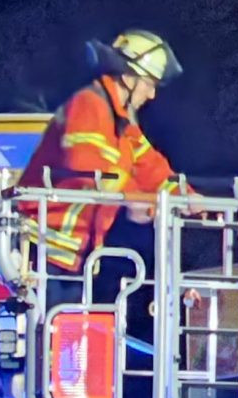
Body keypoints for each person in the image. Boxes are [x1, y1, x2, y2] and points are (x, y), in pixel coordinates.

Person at [17, 30, 183, 281]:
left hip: (71, 258)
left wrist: (187, 197)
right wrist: (134, 198)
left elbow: (151, 167)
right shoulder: (88, 105)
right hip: (41, 252)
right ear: (128, 77)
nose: (151, 95)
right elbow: (87, 166)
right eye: (149, 84)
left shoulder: (121, 122)